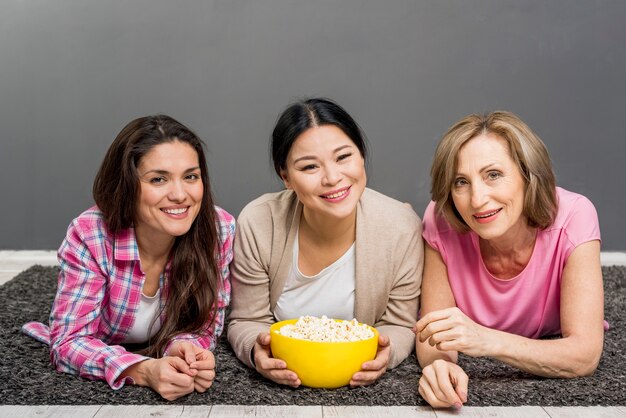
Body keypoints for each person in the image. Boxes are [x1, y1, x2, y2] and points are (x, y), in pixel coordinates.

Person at [22, 115, 235, 400]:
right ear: (127, 185)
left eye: (190, 176)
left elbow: (206, 323)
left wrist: (186, 350)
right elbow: (68, 343)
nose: (180, 194)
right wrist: (144, 370)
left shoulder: (218, 229)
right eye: (158, 179)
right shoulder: (90, 234)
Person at [227, 97, 423, 388]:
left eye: (344, 157)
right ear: (286, 178)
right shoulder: (259, 222)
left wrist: (386, 352)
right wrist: (258, 353)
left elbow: (399, 324)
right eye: (309, 167)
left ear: (362, 156)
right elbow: (246, 319)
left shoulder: (401, 227)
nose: (333, 178)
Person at [415, 111, 605, 408]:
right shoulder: (440, 219)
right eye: (461, 182)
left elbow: (584, 355)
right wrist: (440, 366)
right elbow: (433, 331)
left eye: (493, 175)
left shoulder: (575, 215)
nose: (477, 199)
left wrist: (487, 340)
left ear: (529, 176)